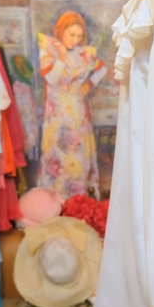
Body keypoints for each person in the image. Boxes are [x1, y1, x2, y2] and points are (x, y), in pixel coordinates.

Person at [37, 11, 106, 198]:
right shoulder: (48, 50)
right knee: (58, 155)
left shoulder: (82, 54)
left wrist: (89, 84)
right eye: (71, 34)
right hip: (57, 117)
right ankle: (56, 201)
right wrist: (61, 57)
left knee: (79, 155)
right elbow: (52, 79)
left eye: (79, 36)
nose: (75, 40)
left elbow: (102, 68)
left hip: (78, 115)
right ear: (61, 31)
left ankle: (79, 199)